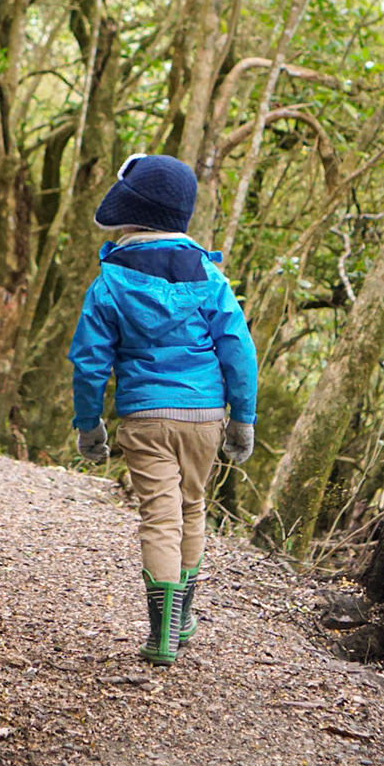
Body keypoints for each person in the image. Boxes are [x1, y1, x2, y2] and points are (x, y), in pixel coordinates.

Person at [69, 154, 257, 666]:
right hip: (203, 415)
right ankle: (182, 618)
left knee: (159, 516)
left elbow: (88, 363)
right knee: (192, 507)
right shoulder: (210, 276)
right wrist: (243, 418)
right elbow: (237, 349)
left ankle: (162, 635)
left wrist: (89, 427)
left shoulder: (110, 281)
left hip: (145, 417)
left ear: (129, 215)